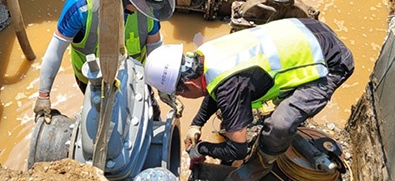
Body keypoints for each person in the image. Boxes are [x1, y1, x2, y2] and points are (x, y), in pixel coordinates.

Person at [144, 18, 354, 181]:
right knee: (242, 112)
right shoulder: (204, 55)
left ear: (189, 85)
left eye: (181, 94)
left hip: (331, 64)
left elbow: (238, 149)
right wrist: (197, 122)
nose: (183, 97)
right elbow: (215, 85)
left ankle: (260, 166)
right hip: (310, 31)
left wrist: (201, 149)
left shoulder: (228, 88)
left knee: (279, 124)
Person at [33, 0, 180, 124]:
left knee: (150, 117)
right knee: (103, 123)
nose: (149, 9)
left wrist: (163, 87)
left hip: (137, 79)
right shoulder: (81, 6)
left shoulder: (147, 13)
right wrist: (43, 96)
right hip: (92, 83)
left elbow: (155, 50)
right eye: (147, 4)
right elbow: (56, 50)